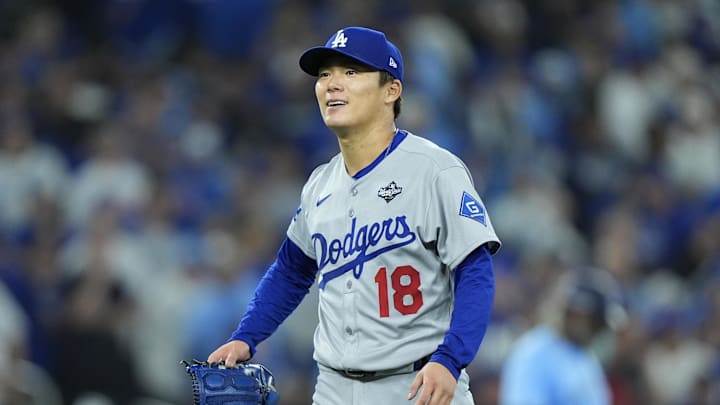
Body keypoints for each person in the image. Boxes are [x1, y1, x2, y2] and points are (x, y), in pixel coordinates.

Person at [208, 26, 501, 405]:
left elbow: (475, 271)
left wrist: (451, 359)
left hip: (418, 385)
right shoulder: (319, 184)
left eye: (351, 72)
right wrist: (246, 336)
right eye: (325, 74)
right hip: (333, 388)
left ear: (391, 90)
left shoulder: (434, 170)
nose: (332, 84)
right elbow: (291, 271)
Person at [499, 267, 627, 405]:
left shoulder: (586, 358)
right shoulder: (533, 354)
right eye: (596, 323)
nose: (598, 333)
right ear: (576, 315)